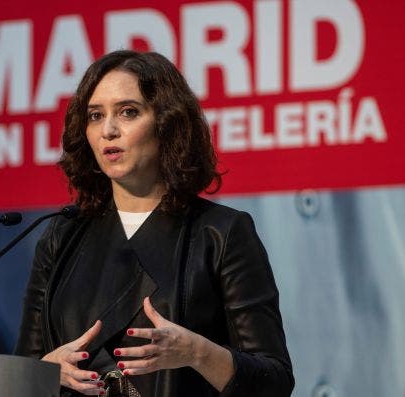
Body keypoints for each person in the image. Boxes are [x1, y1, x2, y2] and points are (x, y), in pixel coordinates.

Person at [15, 50, 294, 396]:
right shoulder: (62, 235)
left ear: (166, 123)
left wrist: (197, 353)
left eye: (128, 112)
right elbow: (21, 372)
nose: (109, 130)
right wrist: (45, 372)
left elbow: (275, 382)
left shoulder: (220, 233)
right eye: (95, 116)